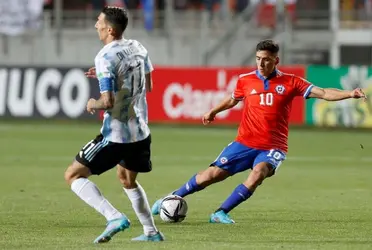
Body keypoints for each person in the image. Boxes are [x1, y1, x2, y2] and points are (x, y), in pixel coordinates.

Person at [151, 39, 367, 224]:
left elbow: (325, 92)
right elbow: (233, 99)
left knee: (258, 174)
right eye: (258, 58)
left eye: (266, 59)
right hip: (244, 142)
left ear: (276, 60)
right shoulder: (245, 80)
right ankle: (171, 198)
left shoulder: (291, 82)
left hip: (273, 147)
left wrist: (350, 93)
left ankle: (220, 213)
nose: (261, 63)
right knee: (212, 175)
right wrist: (213, 111)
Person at [64, 6, 165, 243]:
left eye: (99, 21)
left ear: (110, 29)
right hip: (141, 132)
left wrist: (92, 103)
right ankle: (151, 232)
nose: (95, 25)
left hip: (116, 135)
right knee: (127, 179)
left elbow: (107, 102)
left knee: (73, 175)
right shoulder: (138, 47)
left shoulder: (104, 57)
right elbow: (147, 85)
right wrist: (110, 78)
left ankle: (114, 217)